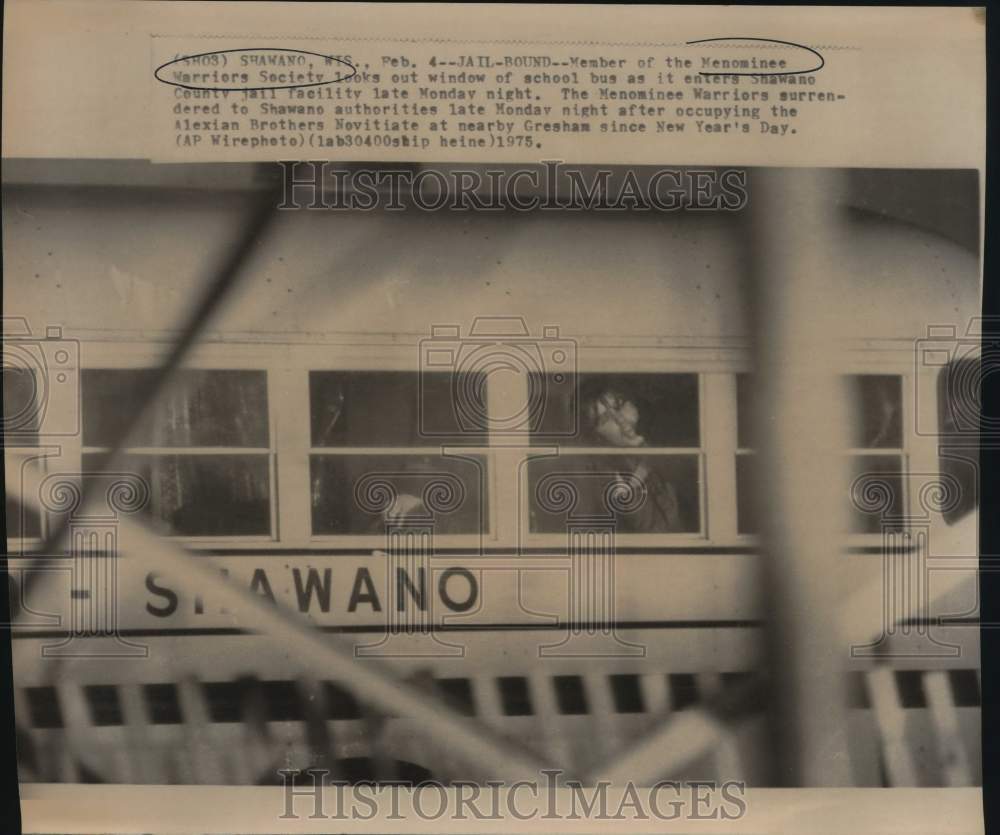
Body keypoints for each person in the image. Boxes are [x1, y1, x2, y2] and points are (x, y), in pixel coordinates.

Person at [580, 386, 685, 532]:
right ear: (598, 437)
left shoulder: (675, 447)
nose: (621, 420)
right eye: (605, 419)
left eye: (620, 405)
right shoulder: (611, 478)